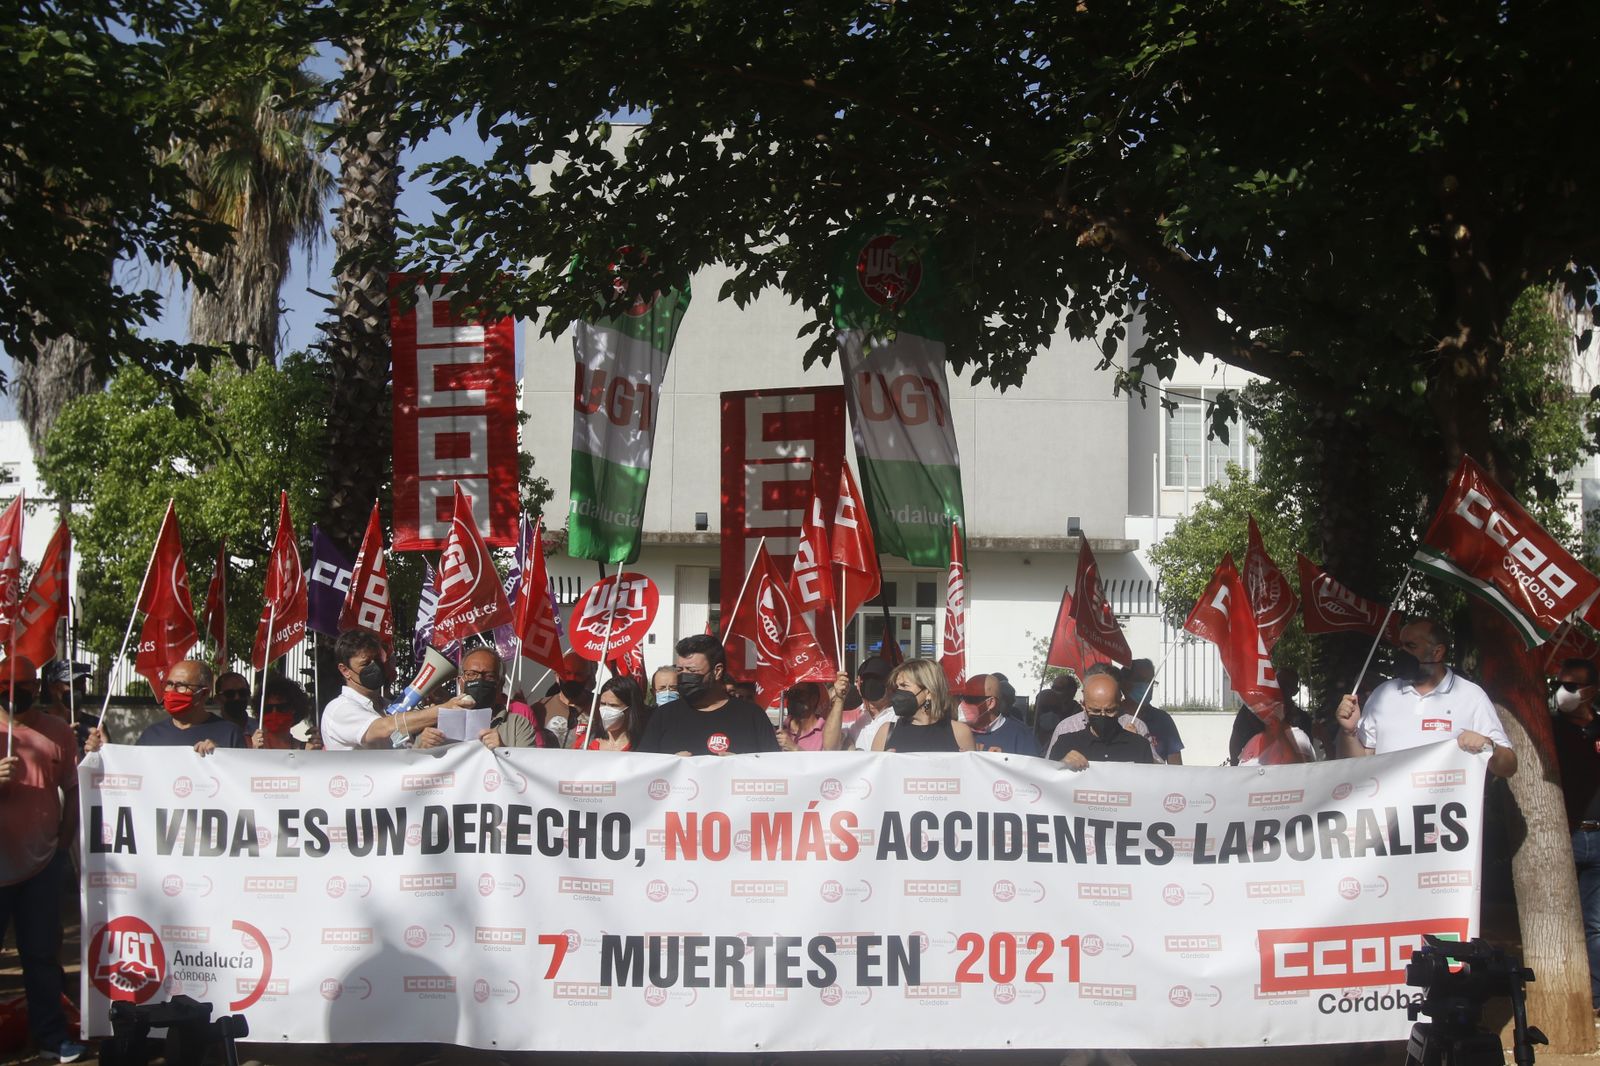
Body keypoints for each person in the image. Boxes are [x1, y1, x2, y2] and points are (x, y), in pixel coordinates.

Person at [0, 655, 83, 1063]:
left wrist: (62, 843)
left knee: (41, 956)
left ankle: (52, 1037)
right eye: (7, 685)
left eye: (25, 685)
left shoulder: (57, 732)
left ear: (38, 687)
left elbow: (73, 788)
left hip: (42, 865)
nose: (17, 693)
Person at [1335, 618, 1517, 777]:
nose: (1402, 652)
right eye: (1401, 645)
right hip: (1391, 814)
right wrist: (1349, 732)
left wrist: (1488, 746)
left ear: (1437, 652)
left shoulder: (1471, 696)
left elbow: (1508, 767)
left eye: (1411, 646)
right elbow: (1359, 764)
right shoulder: (1383, 694)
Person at [636, 634, 781, 756]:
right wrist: (670, 765)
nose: (684, 676)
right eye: (680, 670)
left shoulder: (752, 716)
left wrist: (741, 765)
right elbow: (644, 768)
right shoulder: (664, 715)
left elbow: (772, 769)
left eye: (692, 671)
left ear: (717, 671)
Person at [1551, 657, 1600, 1013]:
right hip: (1561, 837)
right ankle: (1563, 997)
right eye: (1559, 684)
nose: (1561, 692)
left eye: (1570, 686)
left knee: (1595, 924)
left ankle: (1597, 999)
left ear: (1591, 691)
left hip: (1598, 838)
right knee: (1560, 923)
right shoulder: (1549, 730)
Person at [320, 629, 447, 751]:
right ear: (345, 670)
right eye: (365, 664)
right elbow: (384, 728)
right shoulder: (339, 709)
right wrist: (442, 711)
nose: (375, 667)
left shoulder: (388, 706)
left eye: (377, 660)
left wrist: (421, 745)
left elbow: (401, 754)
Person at [85, 660, 245, 754]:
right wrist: (103, 753)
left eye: (181, 686)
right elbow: (131, 780)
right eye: (169, 684)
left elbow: (241, 782)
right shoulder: (151, 736)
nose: (172, 691)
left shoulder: (229, 733)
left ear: (203, 694)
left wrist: (222, 757)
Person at [1048, 663, 1157, 759]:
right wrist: (1062, 765)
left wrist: (1132, 744)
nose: (1102, 716)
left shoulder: (1139, 741)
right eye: (1095, 711)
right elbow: (1048, 775)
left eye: (1110, 710)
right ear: (1084, 704)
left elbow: (1154, 773)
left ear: (1119, 701)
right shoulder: (1065, 739)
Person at [872, 658, 976, 753]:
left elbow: (970, 771)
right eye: (897, 687)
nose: (898, 692)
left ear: (929, 692)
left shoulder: (960, 732)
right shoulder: (886, 732)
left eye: (904, 686)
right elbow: (872, 772)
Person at [454, 647, 548, 749]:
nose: (479, 680)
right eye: (471, 674)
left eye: (489, 676)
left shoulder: (518, 724)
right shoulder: (445, 720)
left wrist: (502, 749)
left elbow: (529, 763)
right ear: (460, 681)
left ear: (501, 683)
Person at [1229, 665, 1318, 764]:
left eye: (1286, 685)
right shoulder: (1249, 712)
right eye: (1277, 684)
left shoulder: (1302, 722)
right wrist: (1234, 769)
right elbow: (1235, 743)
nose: (1280, 688)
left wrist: (1280, 734)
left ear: (1295, 691)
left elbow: (1302, 764)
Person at [959, 674, 1042, 756]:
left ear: (991, 703)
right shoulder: (955, 732)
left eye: (970, 699)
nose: (963, 704)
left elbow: (1034, 768)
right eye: (962, 698)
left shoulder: (1023, 737)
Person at [1125, 659, 1184, 764]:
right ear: (1125, 684)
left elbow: (1176, 767)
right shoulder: (1112, 717)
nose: (1147, 687)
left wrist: (1140, 745)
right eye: (1141, 680)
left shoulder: (1163, 720)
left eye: (1151, 682)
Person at [574, 676, 651, 750]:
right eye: (603, 704)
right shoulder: (585, 742)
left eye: (613, 705)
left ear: (630, 709)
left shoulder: (644, 746)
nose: (606, 710)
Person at [777, 676, 849, 751]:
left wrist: (795, 749)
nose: (793, 697)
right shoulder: (780, 729)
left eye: (798, 693)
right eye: (790, 693)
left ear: (813, 699)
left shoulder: (828, 731)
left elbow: (828, 760)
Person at [251, 676, 322, 750]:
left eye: (281, 708)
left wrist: (315, 754)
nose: (274, 713)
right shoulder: (251, 745)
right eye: (268, 708)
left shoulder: (307, 749)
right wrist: (254, 752)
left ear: (294, 709)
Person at [845, 656, 895, 751]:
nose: (872, 685)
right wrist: (839, 700)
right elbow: (830, 745)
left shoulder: (900, 718)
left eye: (878, 680)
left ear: (891, 685)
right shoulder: (847, 718)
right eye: (868, 680)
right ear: (858, 684)